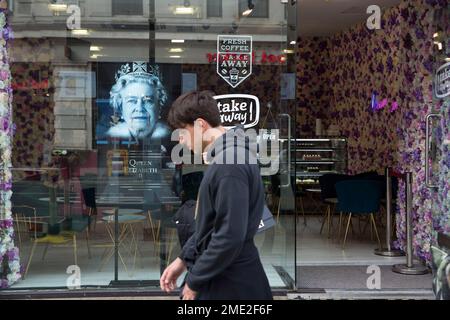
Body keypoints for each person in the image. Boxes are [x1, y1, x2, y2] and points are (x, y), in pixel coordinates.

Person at [160, 90, 272, 300]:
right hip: (229, 276)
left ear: (201, 125)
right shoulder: (229, 156)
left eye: (182, 133)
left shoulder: (228, 163)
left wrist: (194, 281)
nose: (181, 141)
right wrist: (183, 260)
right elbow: (212, 225)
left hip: (231, 283)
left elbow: (229, 235)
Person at [106, 62, 171, 145]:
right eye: (132, 101)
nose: (139, 108)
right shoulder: (112, 137)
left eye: (148, 100)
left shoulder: (169, 138)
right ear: (120, 107)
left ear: (159, 107)